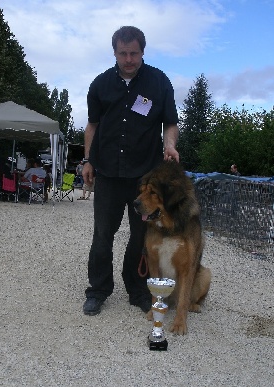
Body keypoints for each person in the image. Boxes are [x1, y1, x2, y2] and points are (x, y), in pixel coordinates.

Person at [82, 26, 179, 316]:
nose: (128, 59)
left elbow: (170, 124)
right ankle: (98, 290)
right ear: (114, 52)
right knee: (103, 235)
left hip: (145, 179)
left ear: (142, 51)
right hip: (109, 174)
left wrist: (170, 145)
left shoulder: (159, 82)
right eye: (122, 53)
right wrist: (87, 160)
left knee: (141, 237)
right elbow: (93, 126)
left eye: (133, 53)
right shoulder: (100, 84)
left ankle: (136, 289)